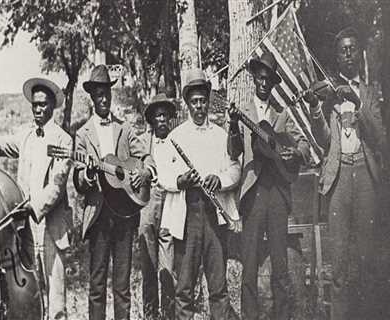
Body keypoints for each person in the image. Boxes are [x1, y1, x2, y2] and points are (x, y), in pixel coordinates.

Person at [0, 78, 73, 320]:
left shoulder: (63, 140)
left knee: (56, 300)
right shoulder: (26, 137)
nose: (38, 110)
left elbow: (57, 186)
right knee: (31, 297)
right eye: (34, 105)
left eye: (43, 105)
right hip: (26, 231)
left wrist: (30, 206)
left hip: (52, 230)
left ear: (52, 106)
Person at [304, 27, 386, 320]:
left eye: (353, 48)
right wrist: (315, 106)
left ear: (358, 53)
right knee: (337, 261)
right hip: (338, 177)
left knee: (366, 258)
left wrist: (358, 102)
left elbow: (380, 139)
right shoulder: (329, 93)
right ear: (337, 57)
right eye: (343, 50)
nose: (348, 54)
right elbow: (324, 140)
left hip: (365, 176)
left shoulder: (370, 92)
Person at [227, 51, 311, 320]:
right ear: (254, 78)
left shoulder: (281, 114)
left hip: (277, 192)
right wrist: (231, 125)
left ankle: (282, 315)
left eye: (269, 80)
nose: (264, 83)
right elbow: (232, 151)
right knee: (249, 263)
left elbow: (304, 145)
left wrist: (294, 154)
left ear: (274, 83)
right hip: (253, 192)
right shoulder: (244, 113)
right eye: (260, 77)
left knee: (280, 263)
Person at [72, 64, 156, 320]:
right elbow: (77, 178)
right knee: (97, 285)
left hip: (125, 215)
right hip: (98, 215)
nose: (103, 99)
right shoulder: (83, 134)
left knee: (122, 285)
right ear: (93, 98)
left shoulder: (125, 128)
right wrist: (87, 174)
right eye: (98, 94)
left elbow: (147, 157)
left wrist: (145, 173)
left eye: (107, 93)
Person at [159, 68, 241, 320]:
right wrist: (180, 180)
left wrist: (221, 180)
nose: (199, 107)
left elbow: (235, 168)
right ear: (187, 104)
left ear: (208, 101)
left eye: (203, 101)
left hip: (214, 214)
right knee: (184, 286)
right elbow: (163, 175)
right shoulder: (175, 137)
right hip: (188, 214)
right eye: (194, 102)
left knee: (218, 285)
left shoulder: (220, 134)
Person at [139, 93, 177, 320]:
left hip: (171, 201)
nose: (161, 119)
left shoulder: (177, 140)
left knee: (168, 265)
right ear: (151, 120)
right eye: (157, 116)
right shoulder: (143, 141)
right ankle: (150, 313)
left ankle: (169, 313)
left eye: (165, 115)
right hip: (147, 203)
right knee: (148, 264)